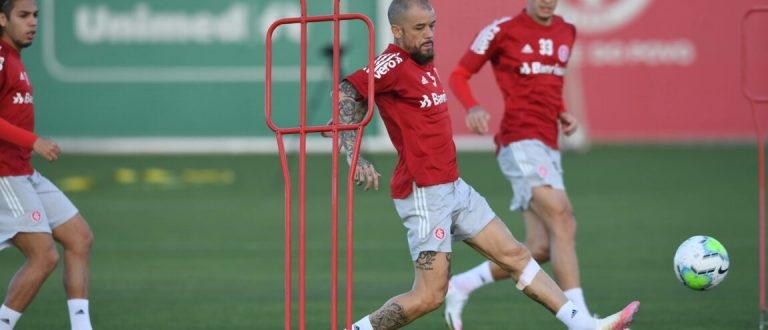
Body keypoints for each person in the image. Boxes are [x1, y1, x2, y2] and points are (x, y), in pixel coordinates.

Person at [335, 1, 638, 329]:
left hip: (454, 187)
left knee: (517, 256)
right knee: (429, 296)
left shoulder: (421, 59)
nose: (429, 34)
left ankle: (584, 326)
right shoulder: (391, 64)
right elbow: (346, 93)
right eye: (419, 28)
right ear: (396, 31)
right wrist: (353, 153)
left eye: (432, 26)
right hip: (424, 194)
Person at [444, 0, 593, 328]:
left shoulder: (567, 31)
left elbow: (549, 85)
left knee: (540, 247)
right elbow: (458, 74)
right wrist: (472, 107)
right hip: (519, 140)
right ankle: (582, 320)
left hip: (548, 144)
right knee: (564, 219)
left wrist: (561, 111)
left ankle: (461, 285)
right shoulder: (502, 31)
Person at [0, 0, 94, 329]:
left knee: (79, 236)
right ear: (2, 18)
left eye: (36, 16)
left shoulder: (14, 59)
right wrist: (33, 140)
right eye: (23, 15)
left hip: (24, 172)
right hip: (4, 176)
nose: (33, 23)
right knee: (43, 256)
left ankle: (82, 326)